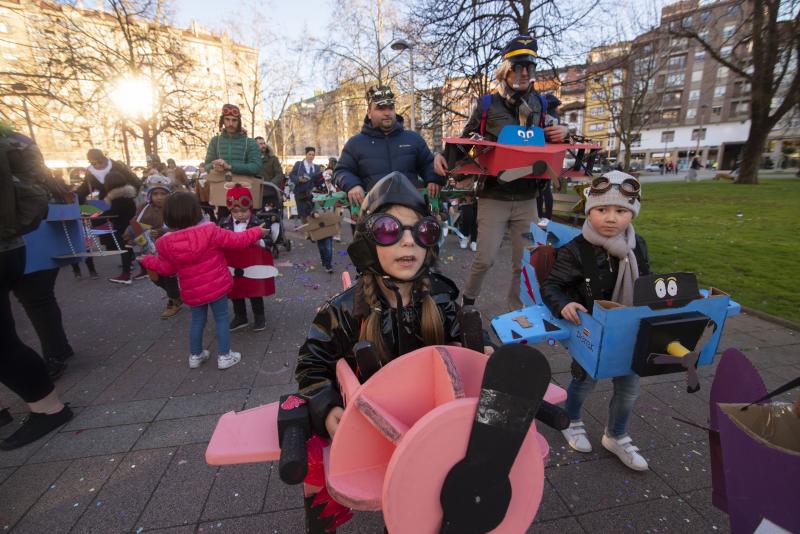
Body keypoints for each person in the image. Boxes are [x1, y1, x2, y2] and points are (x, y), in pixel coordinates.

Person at [295, 172, 477, 532]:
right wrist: (326, 406)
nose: (408, 243)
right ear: (367, 242)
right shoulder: (347, 309)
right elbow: (312, 364)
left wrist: (483, 351)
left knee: (424, 509)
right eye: (389, 231)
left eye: (421, 231)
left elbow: (465, 345)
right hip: (373, 432)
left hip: (432, 431)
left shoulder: (441, 297)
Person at [433, 35, 569, 311]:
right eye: (517, 66)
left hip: (528, 199)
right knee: (485, 258)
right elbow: (466, 140)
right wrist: (442, 156)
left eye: (528, 67)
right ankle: (467, 304)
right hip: (494, 196)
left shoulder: (542, 106)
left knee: (526, 261)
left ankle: (518, 311)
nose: (523, 73)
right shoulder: (487, 105)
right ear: (505, 69)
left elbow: (557, 138)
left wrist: (565, 133)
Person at [541, 171, 651, 471]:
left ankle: (616, 435)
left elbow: (647, 281)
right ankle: (571, 420)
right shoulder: (577, 249)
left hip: (629, 326)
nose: (611, 218)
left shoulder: (636, 245)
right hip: (589, 327)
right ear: (590, 211)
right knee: (583, 381)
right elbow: (551, 286)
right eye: (602, 209)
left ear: (632, 213)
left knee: (629, 387)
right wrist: (564, 304)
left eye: (621, 211)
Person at [0, 125, 73, 450]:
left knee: (5, 341)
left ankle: (48, 406)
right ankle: (54, 358)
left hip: (8, 243)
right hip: (12, 242)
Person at [139, 192, 270, 370]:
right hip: (217, 285)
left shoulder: (164, 243)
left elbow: (168, 269)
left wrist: (147, 260)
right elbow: (238, 240)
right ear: (196, 211)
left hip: (192, 290)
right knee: (222, 318)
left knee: (197, 321)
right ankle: (224, 356)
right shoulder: (210, 231)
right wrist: (257, 231)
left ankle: (195, 355)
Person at [334, 85, 444, 208]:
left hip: (412, 210)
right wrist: (353, 185)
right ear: (369, 113)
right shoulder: (355, 143)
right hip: (373, 213)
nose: (387, 113)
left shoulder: (413, 139)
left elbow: (429, 164)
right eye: (380, 108)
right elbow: (342, 171)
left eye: (391, 108)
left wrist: (433, 179)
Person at [219, 184, 269, 332]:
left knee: (255, 291)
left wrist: (259, 241)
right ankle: (240, 317)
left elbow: (271, 242)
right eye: (235, 211)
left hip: (253, 262)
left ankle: (259, 317)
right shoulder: (224, 224)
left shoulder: (258, 223)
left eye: (243, 210)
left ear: (250, 208)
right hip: (233, 262)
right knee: (235, 291)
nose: (240, 214)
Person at [132, 175, 182, 318]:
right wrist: (140, 235)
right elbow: (134, 225)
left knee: (168, 275)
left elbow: (181, 226)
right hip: (148, 247)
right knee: (154, 277)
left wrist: (162, 231)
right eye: (155, 194)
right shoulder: (143, 208)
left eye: (163, 193)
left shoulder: (174, 208)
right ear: (149, 195)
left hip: (169, 248)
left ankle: (174, 300)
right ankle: (176, 295)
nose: (159, 197)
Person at [203, 104, 262, 218]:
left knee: (246, 230)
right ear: (222, 121)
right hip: (223, 196)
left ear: (239, 121)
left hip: (246, 197)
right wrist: (214, 166)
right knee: (224, 228)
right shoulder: (215, 141)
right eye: (227, 120)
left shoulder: (249, 142)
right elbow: (207, 165)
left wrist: (229, 166)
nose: (230, 123)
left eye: (234, 120)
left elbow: (256, 167)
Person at [76, 148, 140, 204]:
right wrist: (75, 196)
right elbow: (85, 188)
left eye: (100, 162)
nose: (97, 165)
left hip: (124, 199)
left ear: (104, 158)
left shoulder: (117, 167)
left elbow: (133, 181)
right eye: (93, 163)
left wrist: (130, 194)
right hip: (105, 203)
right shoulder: (90, 173)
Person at [289, 146, 323, 225]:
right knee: (303, 213)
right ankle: (306, 231)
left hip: (311, 193)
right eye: (309, 154)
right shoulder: (299, 164)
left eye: (313, 155)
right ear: (306, 154)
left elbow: (318, 181)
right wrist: (299, 179)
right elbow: (291, 175)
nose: (311, 156)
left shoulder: (316, 167)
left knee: (312, 212)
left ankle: (311, 231)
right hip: (300, 192)